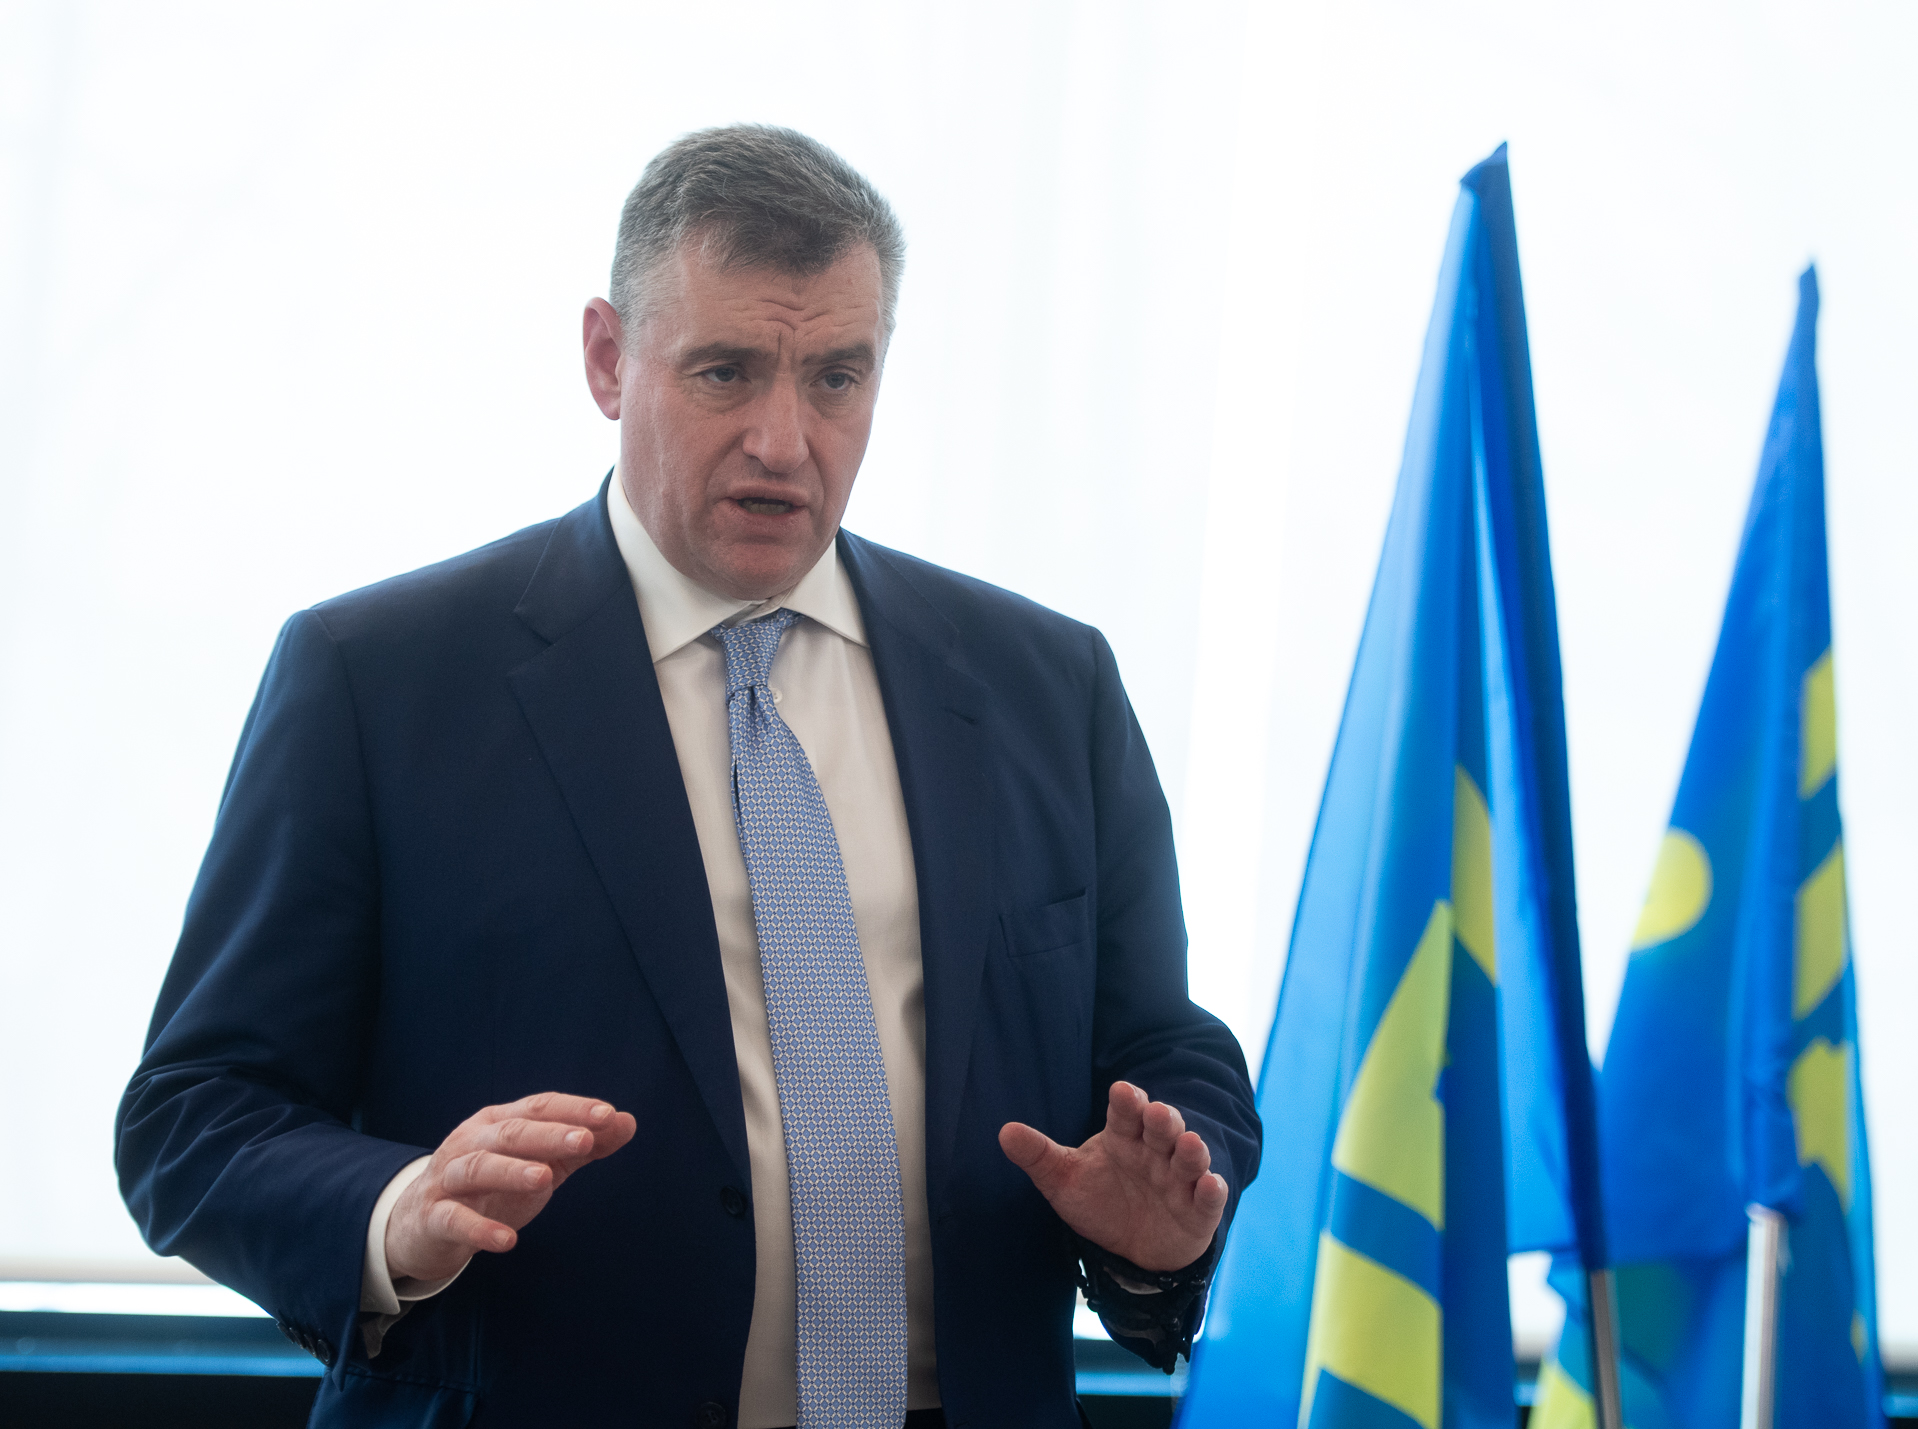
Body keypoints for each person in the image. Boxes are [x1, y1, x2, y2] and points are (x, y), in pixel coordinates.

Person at [116, 124, 1259, 1429]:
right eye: (726, 372)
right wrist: (400, 1207)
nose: (785, 439)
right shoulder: (377, 680)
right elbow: (196, 1116)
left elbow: (1160, 1046)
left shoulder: (1046, 682)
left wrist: (1166, 1216)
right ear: (608, 359)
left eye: (837, 377)